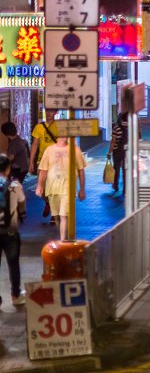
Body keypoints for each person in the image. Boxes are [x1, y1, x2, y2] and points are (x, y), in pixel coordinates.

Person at [35, 134, 86, 241]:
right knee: (57, 216)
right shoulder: (49, 150)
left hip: (68, 189)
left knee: (64, 215)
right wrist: (40, 186)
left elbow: (81, 170)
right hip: (52, 189)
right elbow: (43, 170)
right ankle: (63, 238)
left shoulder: (75, 150)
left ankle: (63, 241)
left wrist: (82, 189)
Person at [0, 155, 27, 309]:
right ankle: (15, 295)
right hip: (10, 231)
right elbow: (22, 202)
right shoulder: (14, 185)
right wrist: (21, 213)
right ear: (8, 169)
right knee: (13, 264)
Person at [29, 110, 58, 223]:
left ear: (56, 112)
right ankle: (48, 203)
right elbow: (35, 144)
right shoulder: (39, 127)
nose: (49, 113)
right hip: (42, 162)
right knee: (41, 189)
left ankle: (54, 214)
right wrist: (31, 161)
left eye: (51, 111)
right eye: (47, 111)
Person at [108, 112, 128, 194]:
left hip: (117, 151)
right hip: (126, 151)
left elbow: (113, 141)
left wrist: (109, 152)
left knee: (116, 169)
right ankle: (125, 188)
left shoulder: (116, 127)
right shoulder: (129, 127)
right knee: (125, 170)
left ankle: (115, 186)